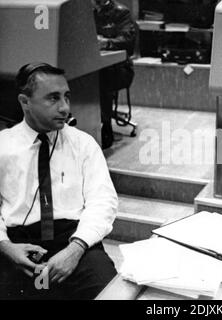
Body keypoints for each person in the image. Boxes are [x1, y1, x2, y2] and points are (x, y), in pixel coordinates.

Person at [0, 62, 118, 299]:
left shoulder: (83, 144)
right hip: (18, 244)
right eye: (53, 98)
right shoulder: (3, 145)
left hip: (74, 240)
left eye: (67, 97)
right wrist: (5, 246)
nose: (65, 107)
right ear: (25, 102)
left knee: (112, 295)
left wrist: (75, 249)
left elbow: (103, 202)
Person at [92, 0, 136, 149]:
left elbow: (128, 42)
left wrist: (105, 43)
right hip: (94, 65)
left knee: (102, 76)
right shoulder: (88, 14)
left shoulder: (121, 12)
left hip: (120, 69)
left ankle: (105, 125)